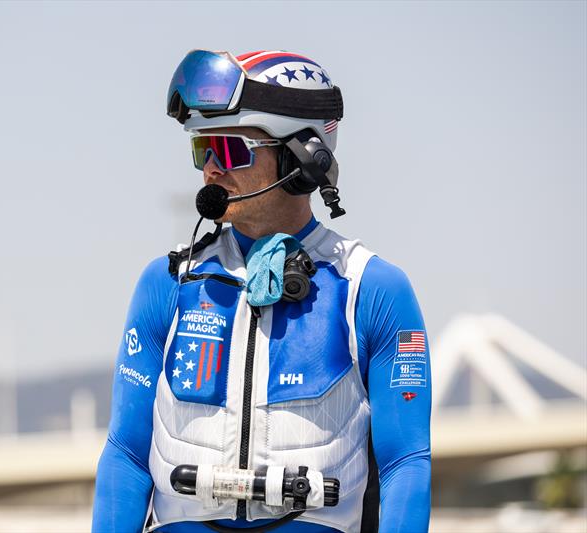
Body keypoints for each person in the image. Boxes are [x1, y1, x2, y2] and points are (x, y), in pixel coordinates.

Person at [92, 50, 431, 533]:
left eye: (229, 149)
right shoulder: (166, 283)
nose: (210, 168)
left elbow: (406, 465)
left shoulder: (373, 289)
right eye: (200, 150)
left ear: (302, 158)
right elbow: (125, 454)